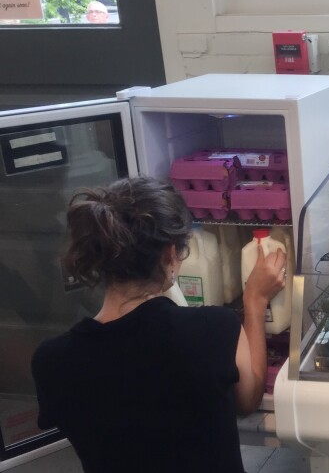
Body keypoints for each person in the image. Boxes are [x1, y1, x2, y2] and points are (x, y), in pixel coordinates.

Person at [31, 177, 286, 473]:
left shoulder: (51, 361)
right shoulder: (214, 330)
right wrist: (255, 300)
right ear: (170, 254)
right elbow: (248, 399)